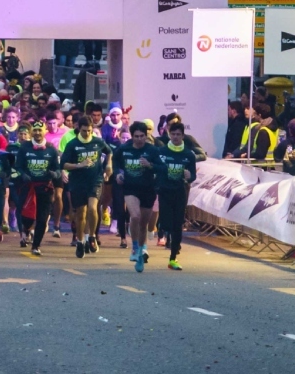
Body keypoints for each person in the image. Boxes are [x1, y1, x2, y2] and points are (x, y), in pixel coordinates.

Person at [147, 118, 201, 270]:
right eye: (173, 134)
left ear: (183, 136)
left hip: (180, 192)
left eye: (179, 134)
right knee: (165, 222)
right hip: (164, 191)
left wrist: (189, 176)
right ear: (169, 135)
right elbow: (154, 168)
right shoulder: (161, 152)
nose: (176, 137)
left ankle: (173, 257)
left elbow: (193, 176)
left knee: (178, 225)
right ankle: (162, 231)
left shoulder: (188, 154)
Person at [110, 120, 158, 273]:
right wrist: (118, 173)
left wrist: (150, 165)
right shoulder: (124, 149)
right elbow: (115, 160)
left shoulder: (152, 150)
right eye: (136, 136)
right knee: (135, 216)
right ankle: (135, 247)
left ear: (146, 135)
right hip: (130, 188)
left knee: (143, 224)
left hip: (148, 189)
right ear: (132, 136)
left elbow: (161, 167)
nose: (139, 139)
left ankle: (142, 250)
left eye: (142, 136)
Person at [62, 111, 111, 258]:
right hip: (78, 182)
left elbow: (109, 152)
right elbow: (63, 164)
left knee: (92, 208)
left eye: (89, 130)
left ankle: (92, 236)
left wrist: (109, 166)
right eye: (84, 131)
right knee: (81, 213)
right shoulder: (72, 144)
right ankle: (80, 240)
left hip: (95, 180)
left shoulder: (97, 141)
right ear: (79, 128)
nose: (87, 133)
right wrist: (79, 165)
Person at [12, 119, 58, 255]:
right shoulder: (25, 147)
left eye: (40, 130)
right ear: (32, 132)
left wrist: (54, 174)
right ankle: (26, 230)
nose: (38, 133)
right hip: (28, 187)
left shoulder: (51, 149)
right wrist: (23, 174)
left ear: (45, 131)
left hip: (45, 188)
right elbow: (18, 166)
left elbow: (57, 169)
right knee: (26, 216)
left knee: (42, 218)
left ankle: (36, 245)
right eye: (35, 130)